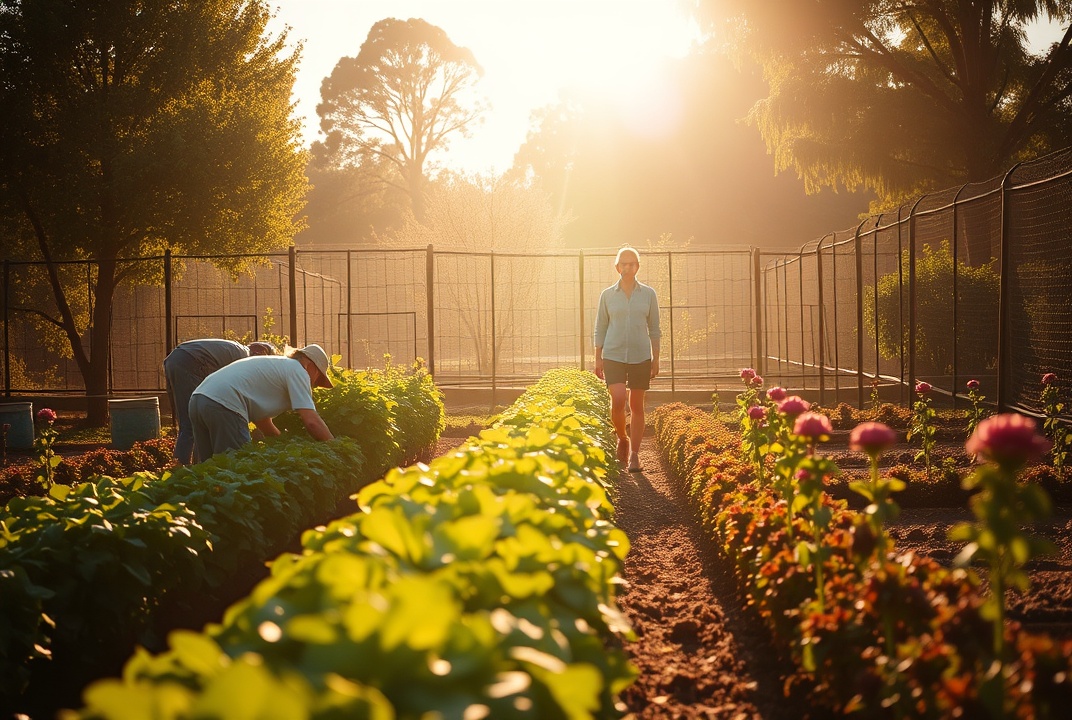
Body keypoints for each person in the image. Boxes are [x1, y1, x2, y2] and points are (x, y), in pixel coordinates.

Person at [188, 344, 335, 464]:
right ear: (311, 366)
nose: (314, 385)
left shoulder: (278, 366)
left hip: (199, 399)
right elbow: (312, 422)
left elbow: (262, 420)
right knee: (236, 468)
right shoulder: (298, 370)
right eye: (318, 378)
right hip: (225, 404)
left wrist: (280, 442)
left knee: (206, 469)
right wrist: (335, 448)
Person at [593, 246, 661, 472]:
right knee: (619, 399)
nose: (628, 267)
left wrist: (656, 359)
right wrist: (598, 358)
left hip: (641, 355)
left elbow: (655, 329)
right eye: (624, 263)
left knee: (636, 405)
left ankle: (634, 455)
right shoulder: (607, 295)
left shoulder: (649, 294)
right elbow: (600, 327)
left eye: (632, 263)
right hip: (612, 354)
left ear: (638, 267)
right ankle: (622, 437)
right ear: (617, 267)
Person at [163, 338, 277, 465]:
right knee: (194, 424)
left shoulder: (236, 351)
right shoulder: (245, 360)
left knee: (187, 424)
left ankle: (178, 471)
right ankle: (192, 471)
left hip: (174, 359)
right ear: (262, 353)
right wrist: (274, 435)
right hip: (192, 360)